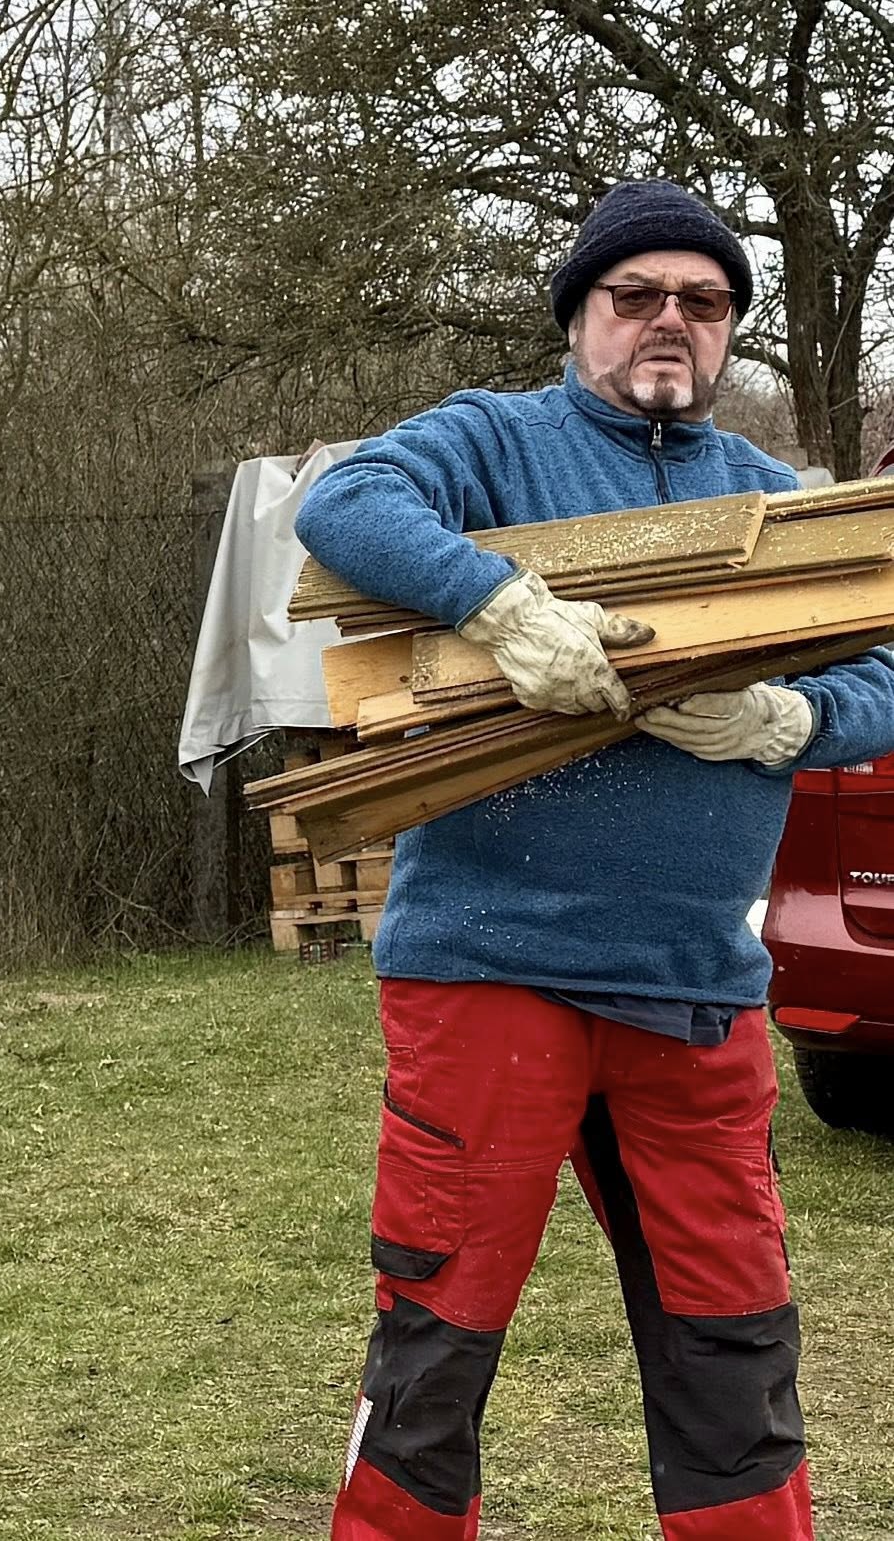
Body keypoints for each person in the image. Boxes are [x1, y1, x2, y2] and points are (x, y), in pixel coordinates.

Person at [295, 181, 894, 1540]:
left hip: (692, 984)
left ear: (727, 328)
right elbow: (346, 506)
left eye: (702, 301)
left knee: (732, 1339)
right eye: (635, 296)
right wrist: (497, 604)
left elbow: (883, 669)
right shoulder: (491, 441)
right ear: (579, 315)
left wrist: (791, 717)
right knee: (436, 1331)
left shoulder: (774, 500)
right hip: (490, 972)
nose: (668, 320)